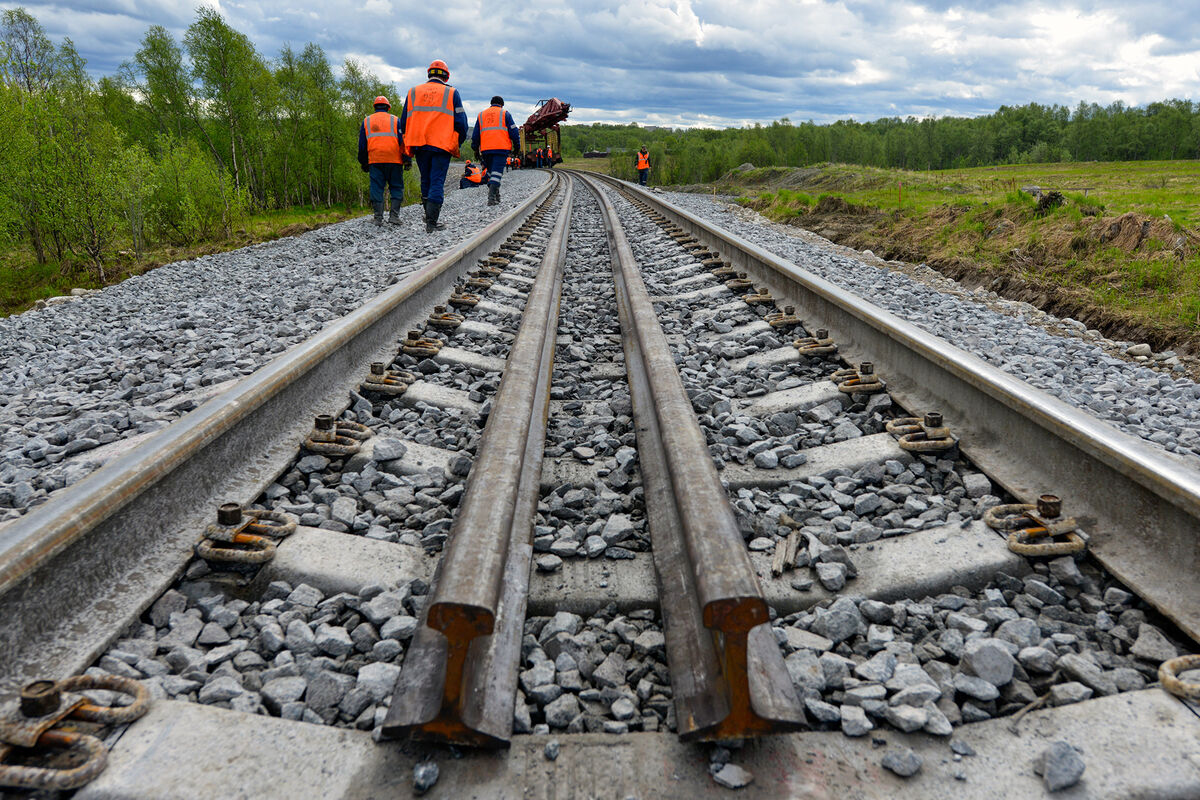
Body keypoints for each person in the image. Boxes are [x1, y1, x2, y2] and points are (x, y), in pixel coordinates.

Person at [401, 59, 468, 233]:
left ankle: (428, 216)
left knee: (426, 179)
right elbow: (462, 124)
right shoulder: (452, 93)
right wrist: (455, 143)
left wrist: (407, 147)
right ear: (446, 76)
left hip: (419, 144)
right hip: (442, 145)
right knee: (437, 181)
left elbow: (404, 122)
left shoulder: (413, 92)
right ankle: (432, 222)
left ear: (429, 74)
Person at [357, 95, 409, 226]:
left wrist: (363, 162)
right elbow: (403, 141)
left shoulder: (367, 121)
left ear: (375, 107)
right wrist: (407, 159)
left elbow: (362, 145)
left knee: (376, 188)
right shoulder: (396, 120)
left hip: (375, 160)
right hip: (394, 160)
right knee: (396, 187)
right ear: (388, 107)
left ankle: (378, 218)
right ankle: (394, 217)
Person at [470, 95, 521, 205]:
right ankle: (491, 198)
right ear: (502, 104)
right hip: (501, 148)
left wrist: (475, 148)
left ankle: (496, 195)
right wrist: (517, 146)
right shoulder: (505, 113)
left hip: (486, 150)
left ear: (491, 103)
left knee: (491, 172)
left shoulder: (481, 115)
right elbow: (514, 132)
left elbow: (475, 135)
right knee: (497, 173)